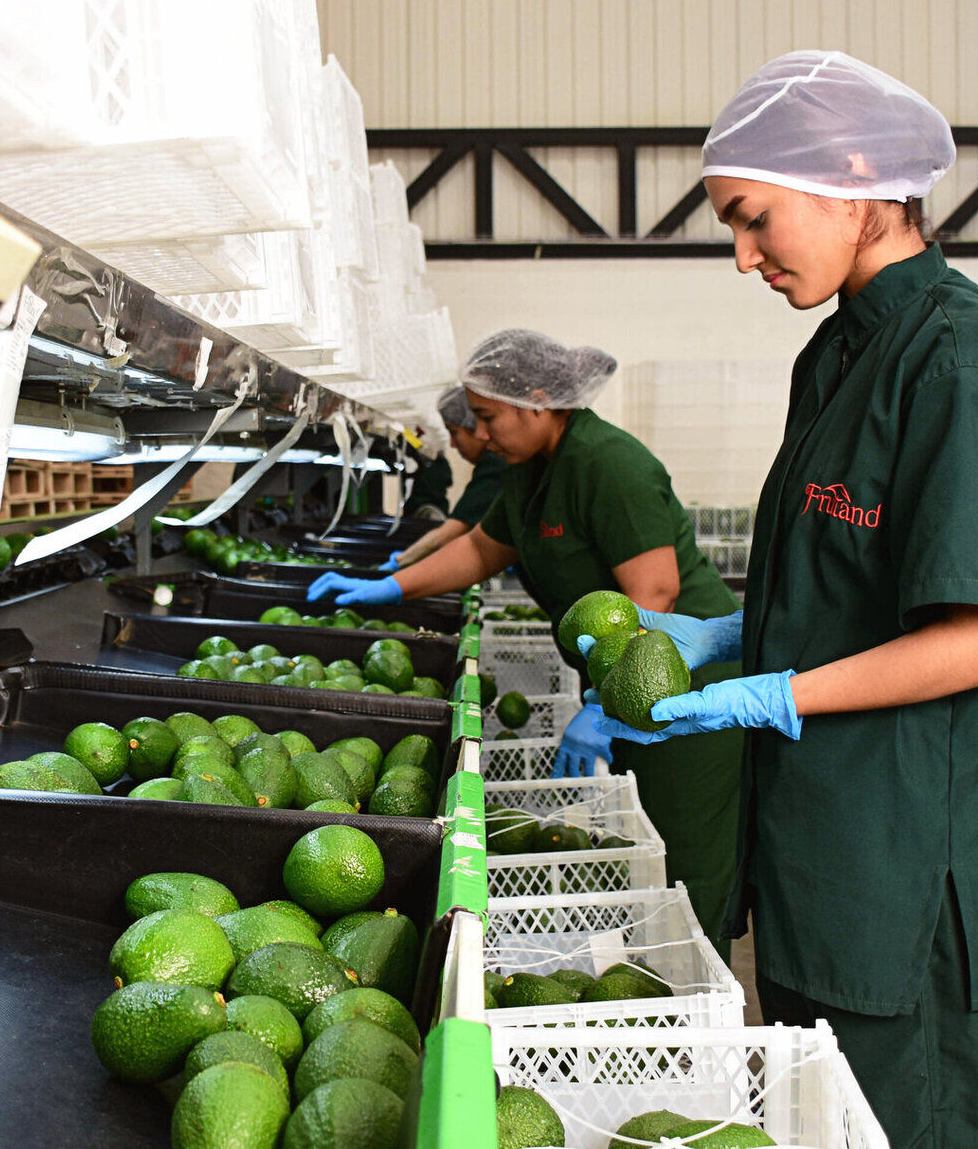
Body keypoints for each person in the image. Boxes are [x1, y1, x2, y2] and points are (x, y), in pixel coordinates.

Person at [593, 51, 978, 1149]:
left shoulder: (965, 359)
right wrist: (722, 639)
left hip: (907, 892)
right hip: (823, 871)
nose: (743, 256)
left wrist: (769, 694)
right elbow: (843, 588)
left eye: (753, 219)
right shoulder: (839, 354)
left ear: (855, 180)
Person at [308, 331, 745, 954]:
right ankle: (646, 989)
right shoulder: (529, 470)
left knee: (683, 862)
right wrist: (389, 587)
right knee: (644, 851)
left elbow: (656, 593)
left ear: (537, 401)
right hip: (629, 689)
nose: (480, 435)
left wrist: (604, 705)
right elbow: (484, 549)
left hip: (687, 691)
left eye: (488, 417)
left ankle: (699, 1020)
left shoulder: (608, 464)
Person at [384, 386, 510, 571]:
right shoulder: (494, 463)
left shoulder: (495, 464)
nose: (452, 443)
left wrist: (399, 564)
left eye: (454, 432)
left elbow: (450, 533)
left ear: (473, 427)